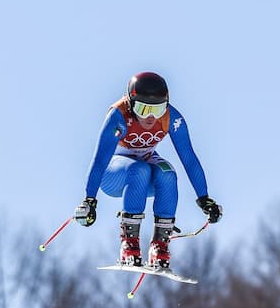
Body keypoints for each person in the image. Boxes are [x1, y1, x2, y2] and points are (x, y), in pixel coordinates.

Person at [74, 71, 222, 269]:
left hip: (144, 167)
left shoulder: (171, 118)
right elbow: (100, 160)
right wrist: (89, 200)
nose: (151, 117)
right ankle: (129, 243)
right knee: (140, 169)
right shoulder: (119, 116)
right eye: (143, 109)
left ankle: (160, 245)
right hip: (114, 174)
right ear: (130, 103)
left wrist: (204, 199)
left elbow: (189, 159)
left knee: (168, 173)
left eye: (158, 109)